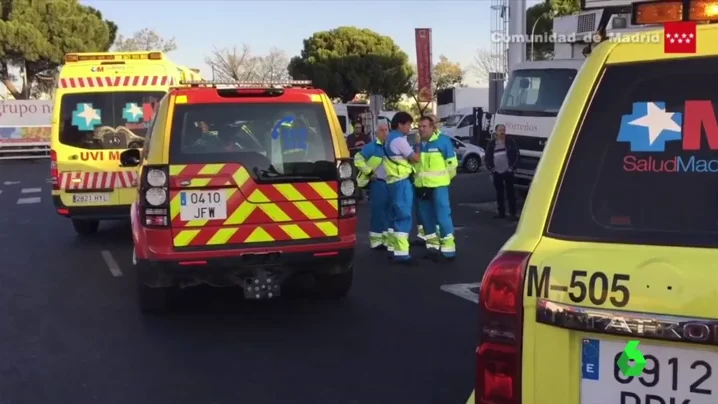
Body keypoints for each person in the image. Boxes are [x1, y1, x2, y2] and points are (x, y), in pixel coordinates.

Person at [414, 116, 458, 260]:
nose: (421, 129)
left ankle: (448, 250)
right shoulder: (419, 144)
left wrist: (444, 180)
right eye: (419, 126)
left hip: (439, 187)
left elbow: (452, 165)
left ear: (432, 128)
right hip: (422, 186)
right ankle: (432, 248)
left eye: (424, 126)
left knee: (443, 217)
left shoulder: (443, 141)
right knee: (427, 219)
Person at [383, 112, 420, 265]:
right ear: (400, 124)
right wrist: (418, 144)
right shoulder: (399, 140)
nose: (409, 128)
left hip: (392, 182)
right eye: (408, 124)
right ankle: (402, 254)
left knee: (394, 216)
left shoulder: (389, 139)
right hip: (401, 182)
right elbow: (415, 158)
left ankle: (392, 248)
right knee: (404, 217)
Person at [354, 118, 391, 251]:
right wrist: (369, 173)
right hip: (378, 183)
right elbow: (358, 159)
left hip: (391, 183)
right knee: (378, 211)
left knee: (389, 212)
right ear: (377, 133)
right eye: (381, 130)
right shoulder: (372, 147)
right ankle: (376, 241)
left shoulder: (391, 146)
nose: (384, 133)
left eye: (386, 130)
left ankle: (386, 240)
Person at [484, 124, 520, 220]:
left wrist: (512, 167)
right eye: (500, 130)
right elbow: (487, 157)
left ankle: (513, 213)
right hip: (497, 172)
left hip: (508, 171)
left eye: (503, 130)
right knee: (499, 193)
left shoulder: (510, 142)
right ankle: (501, 213)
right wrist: (491, 169)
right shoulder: (492, 144)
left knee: (510, 193)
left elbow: (516, 154)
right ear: (496, 132)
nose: (502, 132)